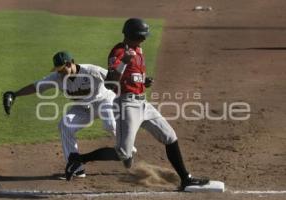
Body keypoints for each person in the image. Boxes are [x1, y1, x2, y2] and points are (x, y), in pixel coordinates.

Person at [65, 18, 209, 190]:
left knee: (170, 137)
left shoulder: (138, 50)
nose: (144, 39)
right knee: (124, 154)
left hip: (143, 103)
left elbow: (131, 77)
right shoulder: (118, 52)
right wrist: (124, 61)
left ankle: (186, 179)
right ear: (133, 35)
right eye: (142, 36)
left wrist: (142, 82)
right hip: (127, 106)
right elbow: (111, 82)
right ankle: (78, 159)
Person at [2, 51, 117, 178]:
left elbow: (115, 78)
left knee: (110, 125)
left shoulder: (91, 70)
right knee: (65, 125)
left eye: (62, 70)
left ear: (70, 64)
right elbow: (36, 86)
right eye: (58, 71)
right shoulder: (57, 77)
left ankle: (127, 151)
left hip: (104, 101)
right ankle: (76, 167)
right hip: (83, 107)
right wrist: (15, 94)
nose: (60, 73)